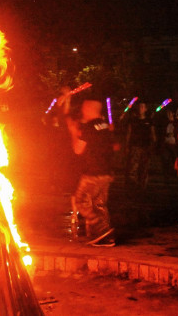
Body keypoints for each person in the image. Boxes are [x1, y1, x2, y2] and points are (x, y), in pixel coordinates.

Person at [67, 98, 116, 247]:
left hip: (92, 173)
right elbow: (114, 146)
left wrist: (73, 132)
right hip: (107, 173)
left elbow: (77, 149)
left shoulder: (88, 128)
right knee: (99, 204)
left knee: (80, 201)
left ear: (88, 110)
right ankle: (106, 238)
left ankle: (100, 228)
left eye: (83, 109)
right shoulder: (105, 126)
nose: (82, 111)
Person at [125, 102, 156, 189]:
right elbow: (129, 133)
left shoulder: (149, 121)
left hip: (145, 147)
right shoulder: (133, 120)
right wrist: (127, 146)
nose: (140, 108)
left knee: (144, 167)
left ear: (146, 109)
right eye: (139, 107)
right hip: (135, 146)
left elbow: (153, 134)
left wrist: (153, 145)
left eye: (142, 107)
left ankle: (142, 186)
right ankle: (132, 186)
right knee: (133, 167)